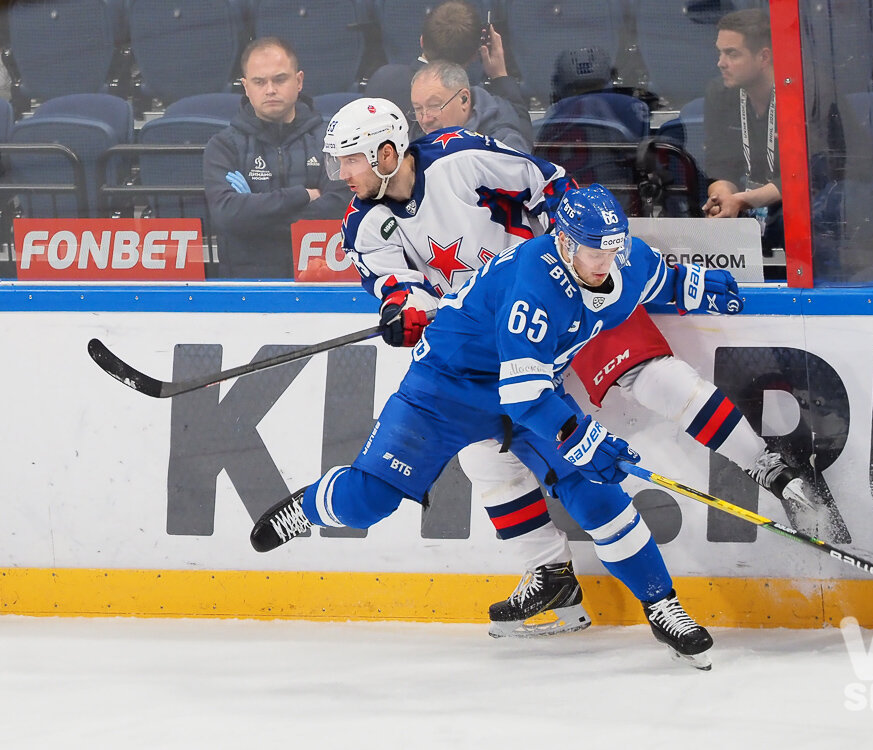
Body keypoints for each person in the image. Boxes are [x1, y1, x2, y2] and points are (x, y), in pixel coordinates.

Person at [316, 98, 823, 639]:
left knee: (655, 376)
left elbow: (551, 184)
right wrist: (406, 309)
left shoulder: (457, 158)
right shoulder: (363, 224)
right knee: (488, 458)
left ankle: (768, 467)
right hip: (496, 334)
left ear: (386, 151)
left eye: (351, 159)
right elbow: (395, 288)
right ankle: (551, 578)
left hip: (569, 292)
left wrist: (577, 258)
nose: (342, 174)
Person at [251, 184, 746, 670]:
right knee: (367, 502)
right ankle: (308, 507)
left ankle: (662, 606)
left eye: (613, 249)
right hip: (445, 387)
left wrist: (700, 289)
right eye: (595, 251)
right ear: (566, 243)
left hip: (525, 386)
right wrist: (586, 440)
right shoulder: (535, 282)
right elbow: (525, 396)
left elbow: (659, 280)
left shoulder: (623, 258)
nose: (606, 262)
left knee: (595, 490)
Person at [203, 37, 350, 278]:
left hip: (320, 278)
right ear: (246, 86)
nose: (270, 89)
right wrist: (302, 195)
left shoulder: (331, 139)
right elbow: (226, 215)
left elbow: (340, 207)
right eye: (259, 82)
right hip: (245, 285)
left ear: (299, 81)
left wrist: (255, 213)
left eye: (280, 79)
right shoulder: (222, 145)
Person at [366, 0, 528, 141]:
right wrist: (500, 75)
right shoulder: (477, 103)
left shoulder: (382, 80)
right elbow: (522, 141)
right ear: (475, 54)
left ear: (422, 41)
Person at [702, 9, 784, 254]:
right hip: (746, 200)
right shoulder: (719, 93)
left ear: (763, 57)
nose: (721, 63)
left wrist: (743, 201)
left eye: (732, 54)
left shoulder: (802, 92)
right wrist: (723, 197)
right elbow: (720, 166)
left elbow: (810, 177)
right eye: (720, 52)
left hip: (798, 206)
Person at [410, 60, 533, 153]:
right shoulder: (413, 140)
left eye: (434, 106)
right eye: (418, 109)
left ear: (464, 99)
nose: (425, 119)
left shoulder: (503, 144)